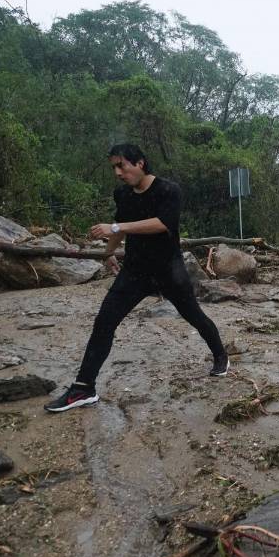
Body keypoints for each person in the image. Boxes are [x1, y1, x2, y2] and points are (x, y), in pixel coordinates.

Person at [45, 143, 229, 413]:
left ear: (140, 163)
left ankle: (221, 355)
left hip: (169, 270)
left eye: (122, 166)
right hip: (135, 271)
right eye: (114, 167)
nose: (118, 173)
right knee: (104, 322)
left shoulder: (169, 190)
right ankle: (83, 388)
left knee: (194, 316)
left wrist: (115, 227)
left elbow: (162, 223)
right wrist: (108, 253)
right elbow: (121, 227)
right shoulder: (122, 194)